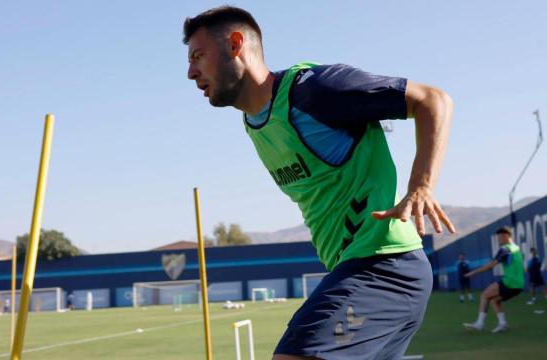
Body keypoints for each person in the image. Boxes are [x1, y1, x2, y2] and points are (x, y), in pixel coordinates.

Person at [183, 6, 455, 359]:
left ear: (236, 45)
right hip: (358, 270)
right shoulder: (254, 124)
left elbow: (433, 100)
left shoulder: (314, 90)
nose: (190, 72)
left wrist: (421, 185)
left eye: (198, 56)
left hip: (386, 267)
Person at [463, 227, 525, 333]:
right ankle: (503, 324)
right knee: (494, 300)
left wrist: (474, 272)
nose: (499, 239)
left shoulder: (506, 249)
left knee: (484, 295)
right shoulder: (517, 248)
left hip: (509, 282)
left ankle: (479, 324)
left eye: (500, 237)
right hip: (519, 285)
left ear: (507, 236)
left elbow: (492, 265)